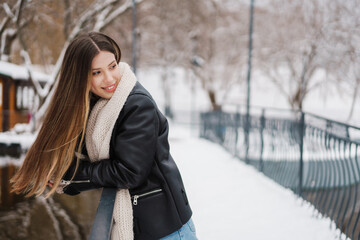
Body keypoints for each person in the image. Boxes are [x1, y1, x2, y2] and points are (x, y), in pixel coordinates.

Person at [11, 32, 197, 240]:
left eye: (112, 66)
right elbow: (82, 154)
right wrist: (61, 173)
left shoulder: (137, 105)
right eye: (96, 72)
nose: (109, 78)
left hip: (165, 230)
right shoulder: (94, 104)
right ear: (80, 77)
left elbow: (129, 172)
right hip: (146, 227)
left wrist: (72, 176)